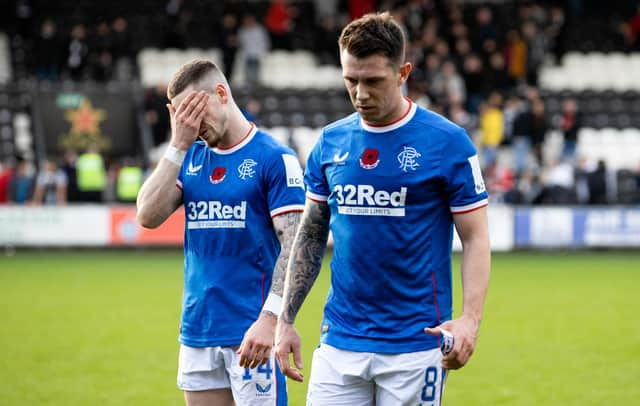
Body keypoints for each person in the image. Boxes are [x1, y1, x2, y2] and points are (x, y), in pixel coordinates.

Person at [274, 12, 491, 405]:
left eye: (372, 81)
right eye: (350, 80)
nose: (359, 94)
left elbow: (475, 237)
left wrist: (470, 321)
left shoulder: (447, 142)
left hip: (416, 344)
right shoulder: (330, 143)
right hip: (340, 340)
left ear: (403, 72)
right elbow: (309, 234)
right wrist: (285, 320)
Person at [136, 59, 304, 406]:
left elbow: (295, 246)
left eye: (196, 111)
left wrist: (270, 319)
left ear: (221, 93)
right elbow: (147, 215)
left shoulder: (274, 158)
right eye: (183, 117)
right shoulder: (191, 158)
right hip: (197, 330)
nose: (192, 124)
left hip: (251, 331)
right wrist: (177, 146)